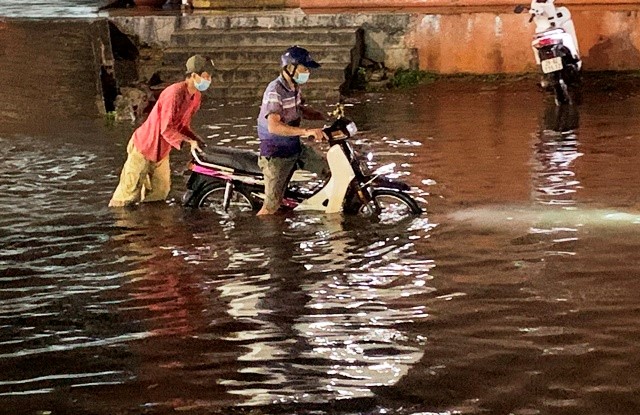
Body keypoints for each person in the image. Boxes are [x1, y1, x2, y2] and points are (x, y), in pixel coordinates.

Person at [108, 55, 213, 207]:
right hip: (144, 146)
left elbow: (182, 125)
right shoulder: (174, 93)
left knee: (160, 192)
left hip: (162, 150)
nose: (209, 80)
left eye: (210, 76)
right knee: (128, 193)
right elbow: (166, 128)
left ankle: (152, 225)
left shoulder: (196, 97)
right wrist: (188, 141)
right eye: (206, 76)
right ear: (193, 75)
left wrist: (196, 140)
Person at [256, 45, 329, 216]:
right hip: (276, 153)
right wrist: (306, 131)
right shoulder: (275, 91)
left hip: (294, 147)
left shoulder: (294, 87)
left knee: (330, 170)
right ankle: (262, 238)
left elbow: (298, 109)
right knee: (271, 207)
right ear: (290, 68)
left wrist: (322, 116)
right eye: (304, 68)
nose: (308, 73)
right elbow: (274, 126)